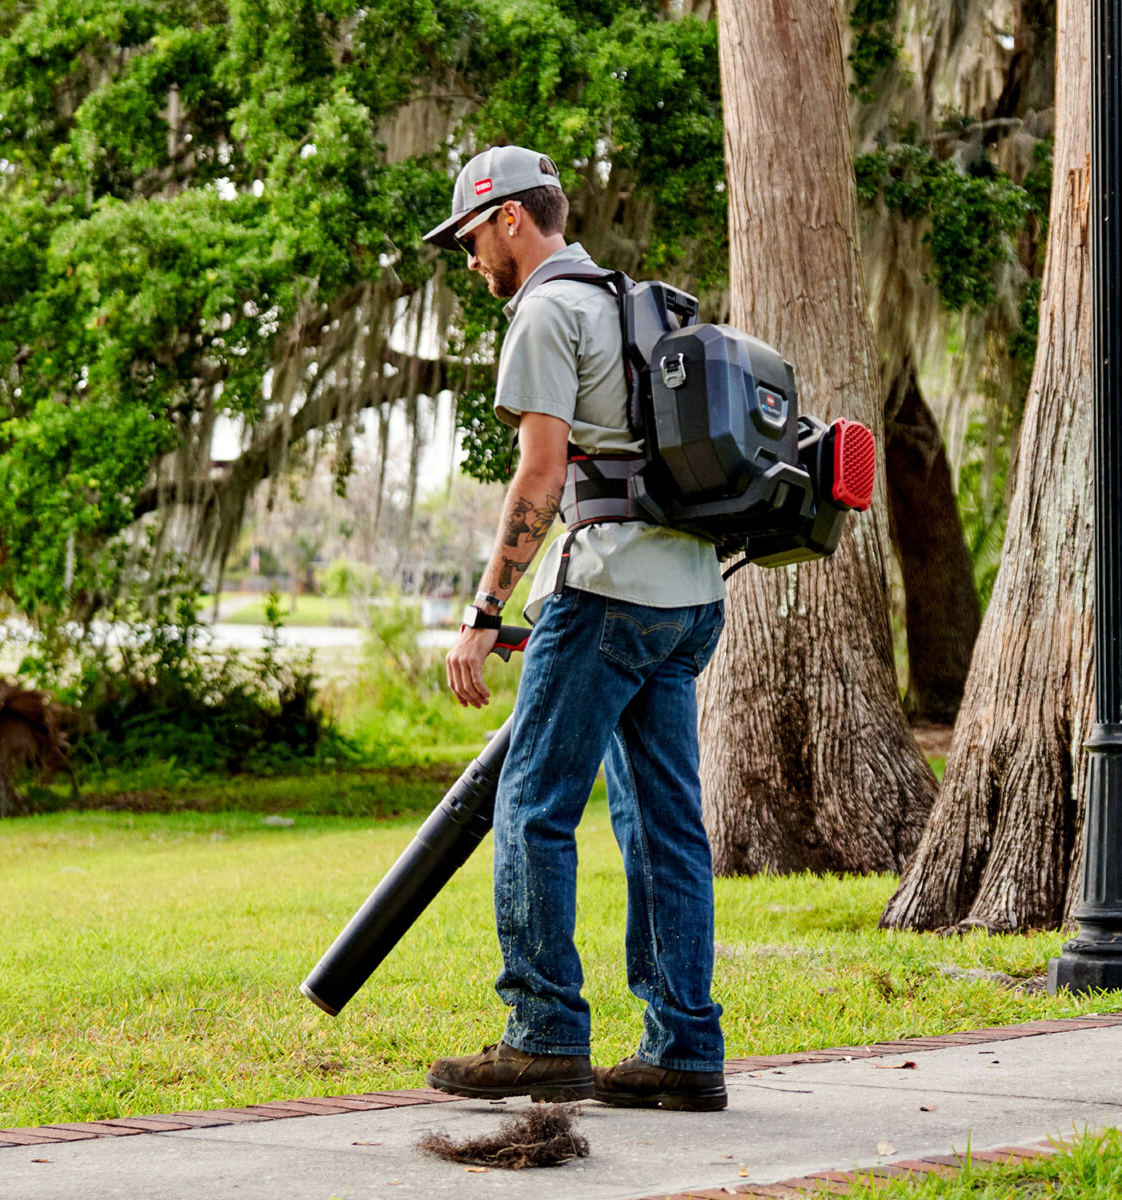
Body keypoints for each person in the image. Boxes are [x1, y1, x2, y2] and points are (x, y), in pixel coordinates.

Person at [421, 145, 729, 1111]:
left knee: (533, 806)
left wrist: (483, 613)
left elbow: (542, 475)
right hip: (687, 599)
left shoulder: (549, 309)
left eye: (472, 238)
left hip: (605, 591)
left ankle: (545, 1031)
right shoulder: (631, 303)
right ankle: (683, 1051)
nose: (472, 259)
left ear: (512, 219)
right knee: (666, 828)